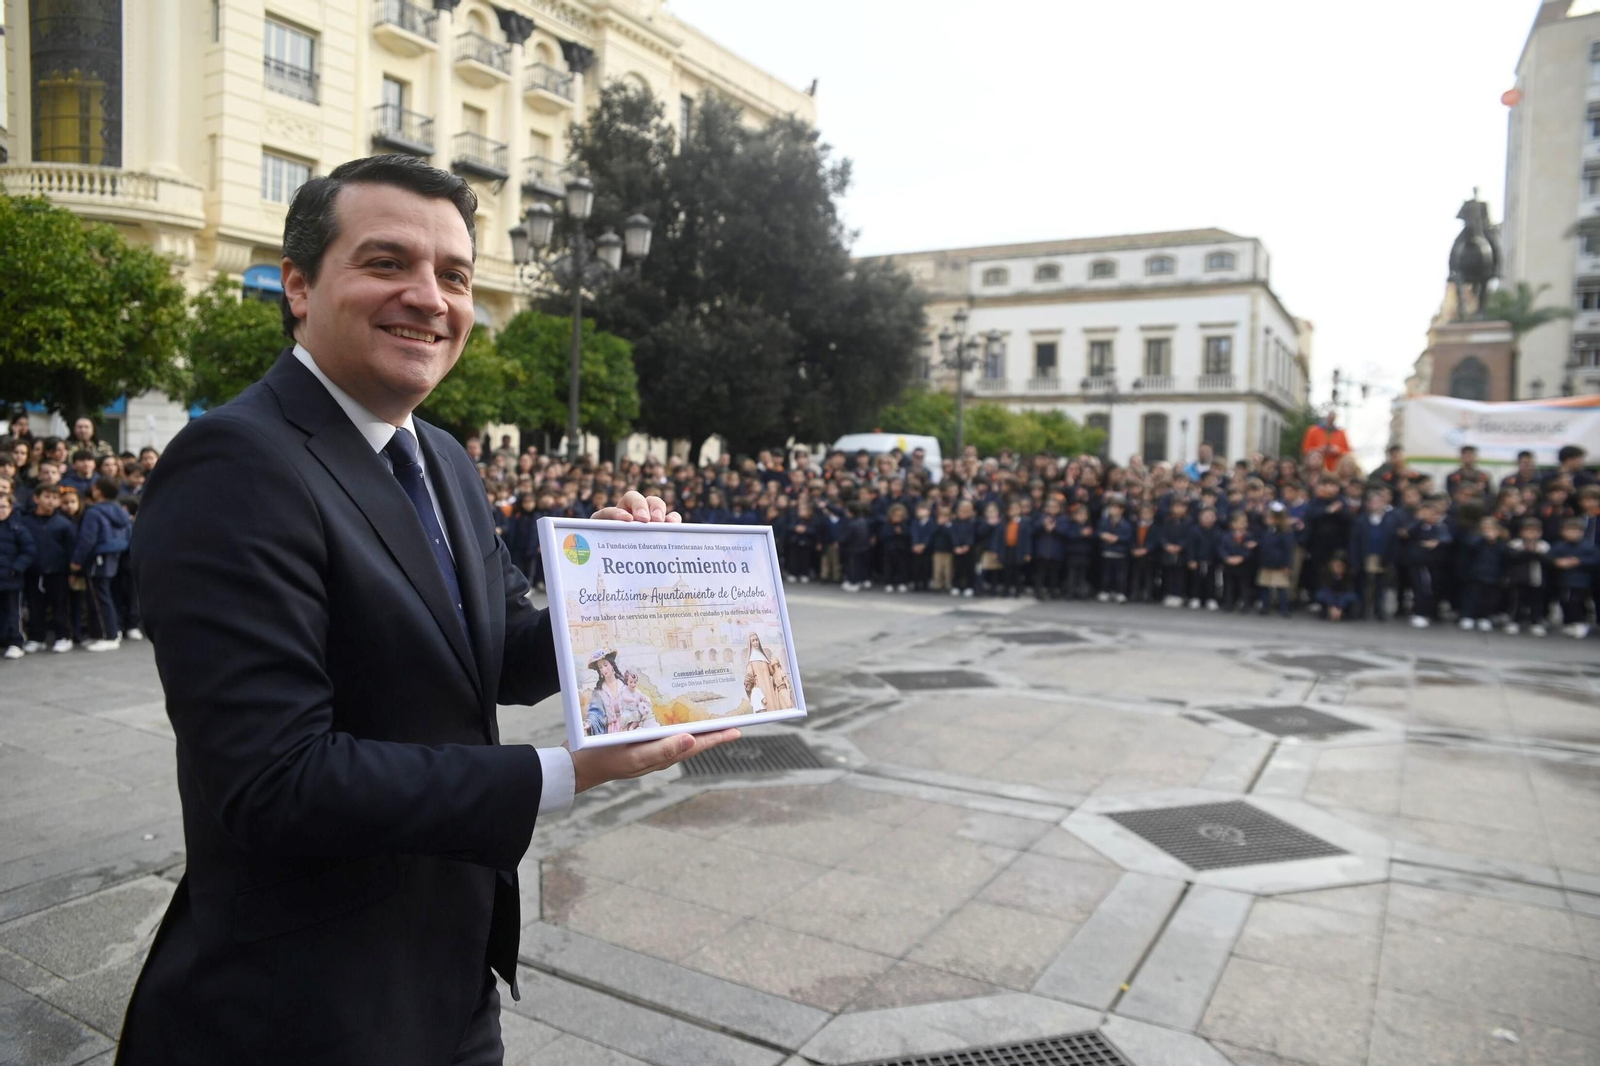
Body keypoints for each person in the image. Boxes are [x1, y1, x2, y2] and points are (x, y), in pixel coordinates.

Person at [115, 155, 738, 1066]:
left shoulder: (441, 455)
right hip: (302, 1004)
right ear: (298, 286)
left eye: (455, 275)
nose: (430, 298)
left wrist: (612, 597)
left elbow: (494, 649)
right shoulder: (235, 463)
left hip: (451, 973)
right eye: (387, 263)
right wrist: (566, 772)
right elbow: (275, 781)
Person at [19, 483, 77, 653]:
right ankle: (37, 638)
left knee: (60, 606)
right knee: (36, 606)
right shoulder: (26, 521)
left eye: (55, 498)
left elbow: (71, 549)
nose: (51, 501)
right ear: (36, 498)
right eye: (47, 497)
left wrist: (73, 572)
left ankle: (63, 637)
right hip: (33, 571)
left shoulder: (64, 523)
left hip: (58, 572)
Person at [1548, 517, 1599, 637]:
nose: (1574, 533)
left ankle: (1580, 622)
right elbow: (1549, 557)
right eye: (1570, 530)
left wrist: (1579, 561)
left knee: (1578, 602)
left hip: (1582, 581)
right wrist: (1557, 562)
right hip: (1562, 580)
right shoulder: (1559, 546)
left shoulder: (1588, 547)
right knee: (1564, 601)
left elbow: (1596, 559)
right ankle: (1569, 622)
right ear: (1563, 532)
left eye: (1577, 531)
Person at [0, 491, 36, 659]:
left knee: (13, 612)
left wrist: (16, 568)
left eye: (3, 507)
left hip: (11, 579)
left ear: (11, 508)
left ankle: (15, 642)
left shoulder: (17, 528)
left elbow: (29, 551)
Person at [1505, 516, 1550, 636]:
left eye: (1534, 531)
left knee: (1537, 602)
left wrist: (1535, 551)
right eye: (1528, 530)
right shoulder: (1515, 544)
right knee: (1517, 601)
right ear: (1521, 532)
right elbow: (1512, 557)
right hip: (1518, 579)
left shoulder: (1543, 545)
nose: (1531, 534)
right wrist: (1528, 551)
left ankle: (1536, 622)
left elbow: (1548, 560)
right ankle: (1514, 621)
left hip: (1537, 579)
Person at [743, 632, 794, 711]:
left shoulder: (763, 657)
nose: (756, 642)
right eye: (753, 641)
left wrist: (776, 665)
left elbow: (772, 671)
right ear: (750, 643)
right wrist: (748, 680)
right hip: (760, 688)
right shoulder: (751, 661)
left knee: (774, 706)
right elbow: (749, 676)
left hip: (769, 687)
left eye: (756, 640)